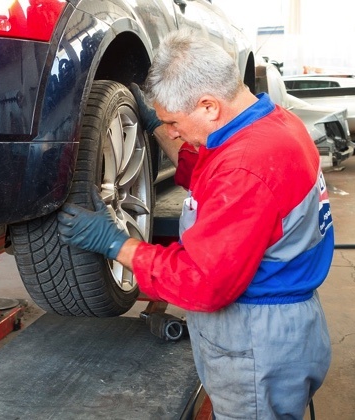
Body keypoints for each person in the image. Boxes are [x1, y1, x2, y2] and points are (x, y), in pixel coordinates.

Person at [57, 30, 332, 419]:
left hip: (257, 340)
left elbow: (203, 282)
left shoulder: (246, 167)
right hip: (285, 324)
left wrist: (116, 244)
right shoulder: (273, 124)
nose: (170, 131)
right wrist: (154, 124)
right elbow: (209, 172)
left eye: (172, 121)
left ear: (208, 106)